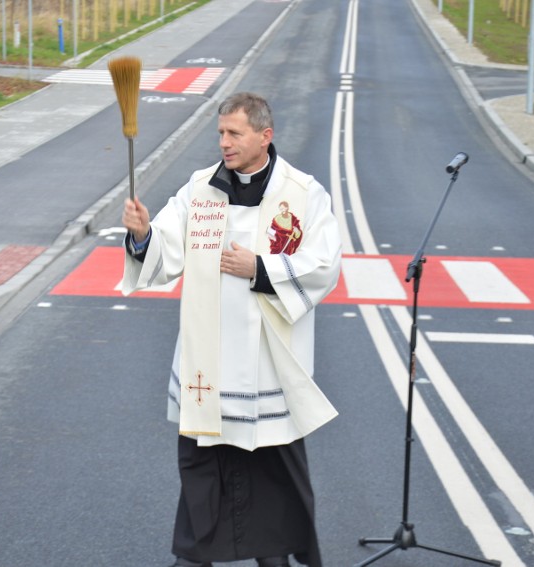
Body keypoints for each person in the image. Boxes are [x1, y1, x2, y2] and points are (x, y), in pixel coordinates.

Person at [121, 92, 342, 567]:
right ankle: (195, 558)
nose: (223, 142)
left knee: (273, 488)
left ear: (265, 136)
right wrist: (142, 235)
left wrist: (259, 267)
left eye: (234, 133)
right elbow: (165, 250)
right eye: (220, 132)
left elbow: (324, 266)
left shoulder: (303, 195)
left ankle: (274, 558)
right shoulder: (200, 190)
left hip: (266, 372)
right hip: (210, 373)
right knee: (204, 480)